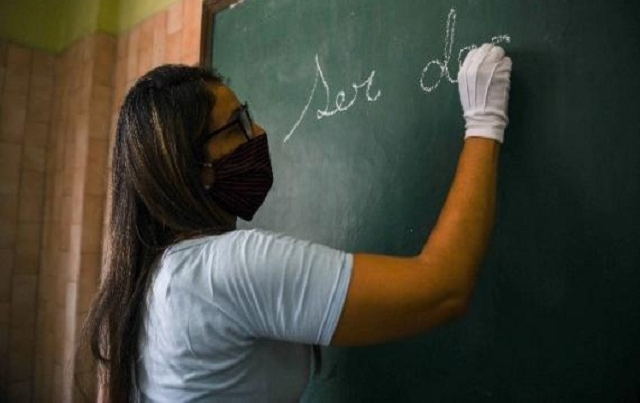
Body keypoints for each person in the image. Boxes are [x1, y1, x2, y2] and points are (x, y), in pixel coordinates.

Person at [82, 43, 512, 402]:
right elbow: (443, 289)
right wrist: (485, 122)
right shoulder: (224, 269)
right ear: (197, 168)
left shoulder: (156, 279)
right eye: (239, 124)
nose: (260, 131)